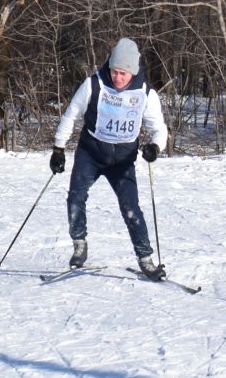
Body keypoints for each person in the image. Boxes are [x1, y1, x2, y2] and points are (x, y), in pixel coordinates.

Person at [49, 38, 170, 278]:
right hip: (91, 153)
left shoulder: (146, 93)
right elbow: (71, 114)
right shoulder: (94, 84)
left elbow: (160, 129)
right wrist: (58, 149)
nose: (117, 78)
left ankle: (146, 259)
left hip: (122, 160)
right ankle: (79, 245)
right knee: (75, 196)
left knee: (131, 209)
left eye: (123, 73)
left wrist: (155, 148)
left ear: (132, 71)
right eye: (114, 71)